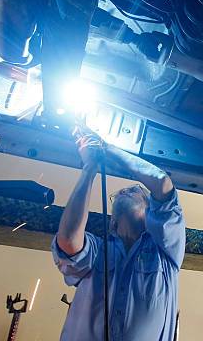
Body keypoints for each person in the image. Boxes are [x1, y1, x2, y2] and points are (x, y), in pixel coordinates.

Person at [52, 131, 185, 341]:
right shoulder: (96, 251)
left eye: (136, 190)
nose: (125, 191)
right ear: (112, 221)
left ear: (152, 213)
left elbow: (162, 183)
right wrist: (89, 168)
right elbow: (68, 240)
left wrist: (107, 149)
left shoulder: (165, 251)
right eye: (119, 194)